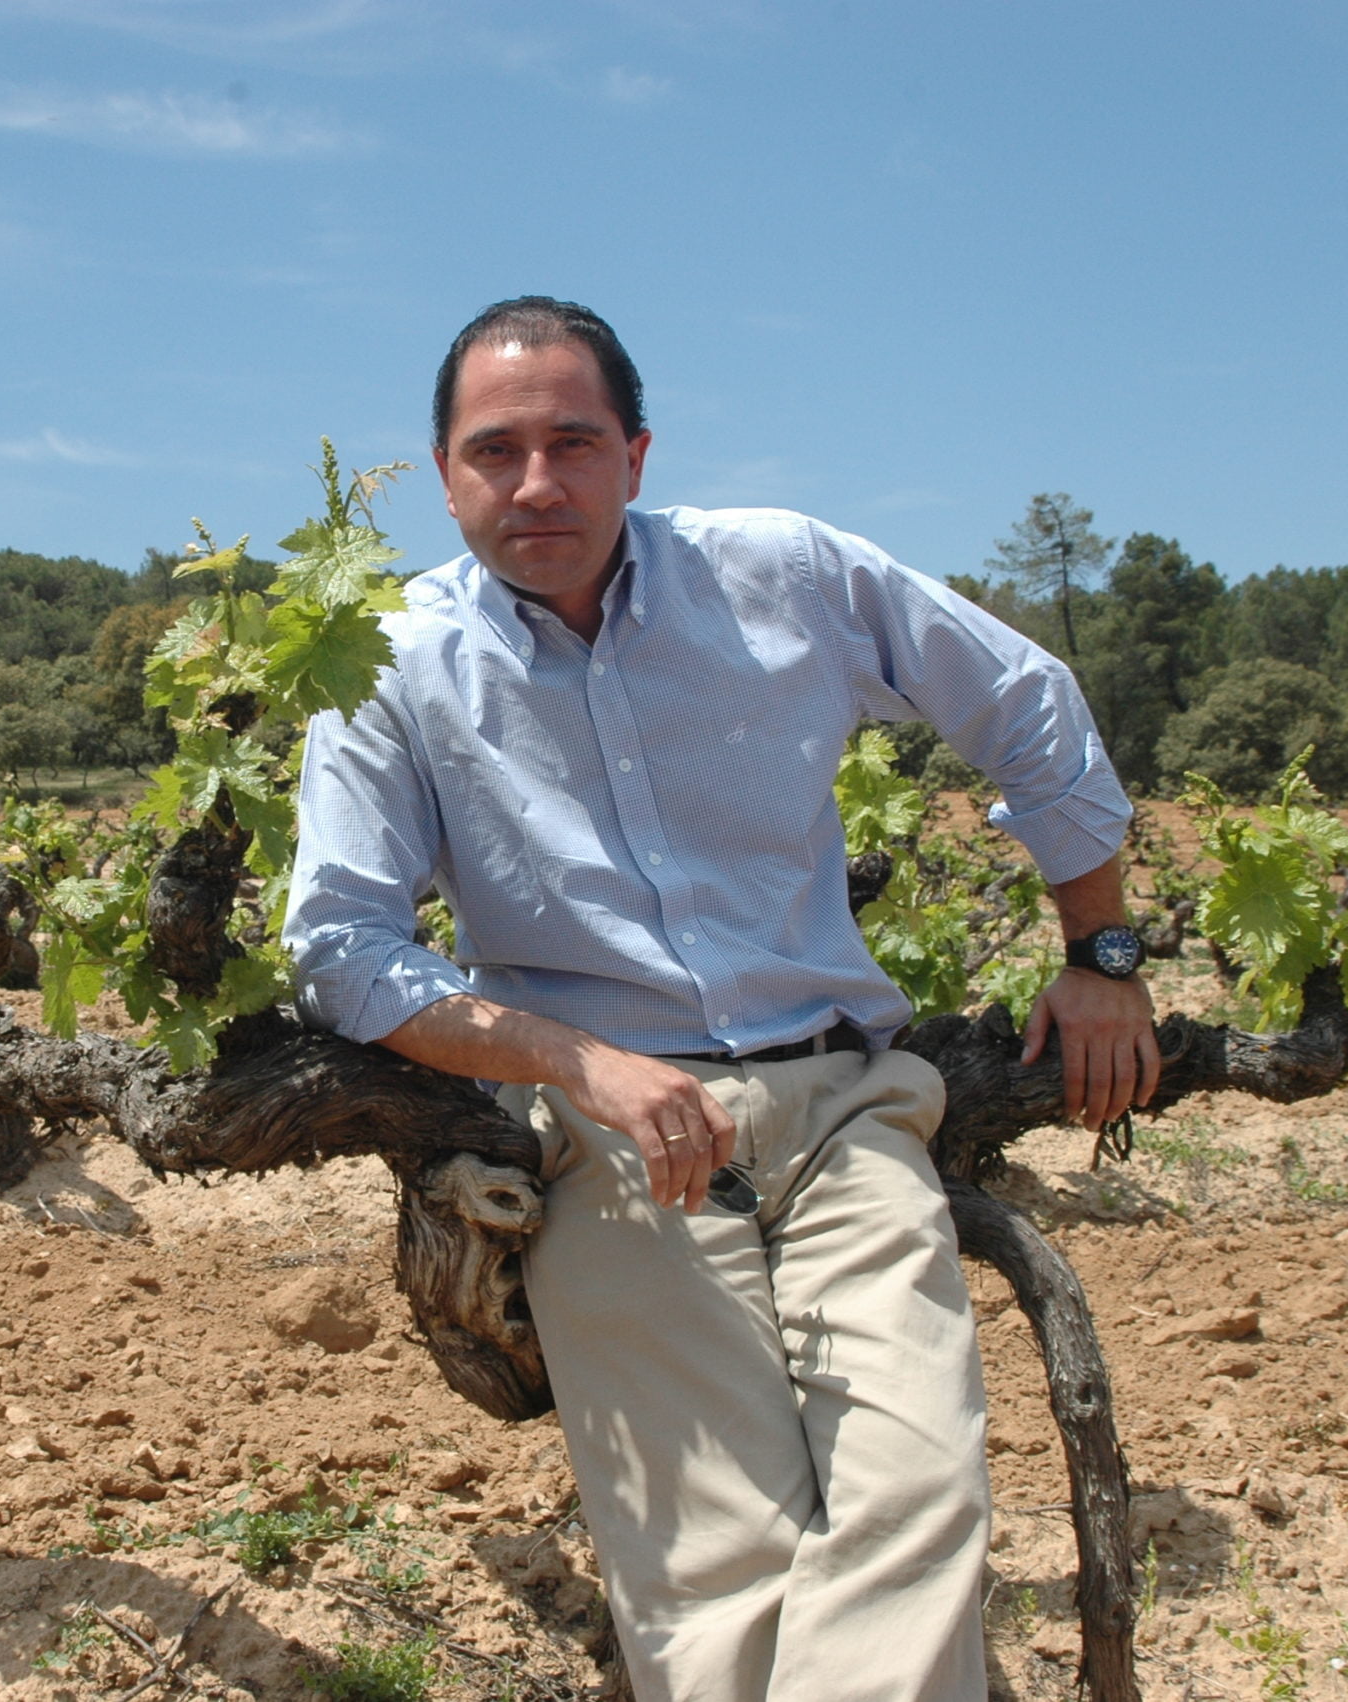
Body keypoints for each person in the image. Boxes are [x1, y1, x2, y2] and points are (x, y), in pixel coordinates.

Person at [282, 297, 1158, 1702]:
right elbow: (340, 943)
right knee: (714, 1566)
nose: (537, 483)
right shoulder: (389, 660)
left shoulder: (786, 574)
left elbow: (1026, 698)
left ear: (636, 452)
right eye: (494, 450)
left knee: (916, 1498)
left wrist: (1100, 950)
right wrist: (577, 1061)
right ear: (445, 474)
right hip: (617, 1142)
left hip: (844, 1112)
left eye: (573, 441)